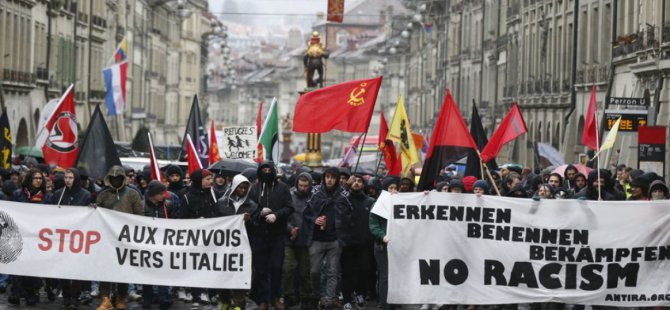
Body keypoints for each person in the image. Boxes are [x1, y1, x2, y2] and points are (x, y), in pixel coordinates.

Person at [247, 161, 294, 310]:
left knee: (276, 267)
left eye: (269, 170)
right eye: (263, 170)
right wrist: (259, 213)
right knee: (260, 269)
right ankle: (263, 300)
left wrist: (277, 215)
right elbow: (248, 208)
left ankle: (275, 297)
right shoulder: (253, 189)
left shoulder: (283, 188)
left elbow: (289, 207)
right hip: (258, 236)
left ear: (273, 171)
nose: (266, 172)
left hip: (277, 235)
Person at [96, 165, 144, 310]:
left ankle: (121, 297)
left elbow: (140, 215)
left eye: (118, 178)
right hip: (106, 238)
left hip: (125, 239)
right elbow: (96, 213)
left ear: (123, 179)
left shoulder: (133, 194)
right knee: (105, 270)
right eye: (113, 178)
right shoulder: (103, 195)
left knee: (122, 270)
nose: (116, 180)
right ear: (109, 179)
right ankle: (105, 299)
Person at [302, 167, 350, 310]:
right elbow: (306, 214)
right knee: (314, 271)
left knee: (333, 271)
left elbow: (349, 214)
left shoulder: (343, 195)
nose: (329, 179)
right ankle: (319, 295)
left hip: (335, 239)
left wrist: (339, 220)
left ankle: (329, 299)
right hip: (317, 239)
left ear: (336, 179)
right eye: (327, 176)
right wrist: (315, 220)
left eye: (333, 177)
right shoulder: (315, 193)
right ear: (324, 178)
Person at [46, 168, 91, 309]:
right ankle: (66, 296)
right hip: (62, 236)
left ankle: (75, 297)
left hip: (78, 237)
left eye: (71, 177)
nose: (67, 180)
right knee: (63, 267)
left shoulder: (85, 195)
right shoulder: (58, 194)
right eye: (66, 177)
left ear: (76, 179)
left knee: (77, 268)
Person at [8, 169, 51, 306]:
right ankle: (16, 292)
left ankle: (32, 293)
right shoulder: (18, 195)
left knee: (33, 267)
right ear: (29, 179)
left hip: (38, 238)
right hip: (20, 236)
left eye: (40, 178)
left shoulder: (47, 197)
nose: (38, 180)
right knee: (18, 265)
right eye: (35, 178)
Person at [216, 174, 258, 310]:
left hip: (242, 248)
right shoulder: (221, 203)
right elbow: (214, 222)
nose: (243, 190)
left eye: (246, 188)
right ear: (234, 187)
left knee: (240, 274)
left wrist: (249, 221)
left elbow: (257, 227)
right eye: (240, 187)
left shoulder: (252, 206)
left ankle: (239, 303)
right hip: (224, 246)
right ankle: (225, 300)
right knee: (222, 274)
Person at [180, 169, 218, 308]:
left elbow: (218, 213)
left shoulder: (213, 194)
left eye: (210, 179)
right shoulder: (187, 197)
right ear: (198, 181)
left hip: (211, 237)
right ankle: (197, 295)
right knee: (196, 265)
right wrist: (196, 220)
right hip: (194, 238)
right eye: (207, 179)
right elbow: (181, 218)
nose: (210, 181)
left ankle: (211, 293)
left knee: (211, 265)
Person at [339, 174, 374, 310]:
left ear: (364, 185)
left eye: (360, 181)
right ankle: (347, 299)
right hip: (347, 243)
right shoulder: (344, 200)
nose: (356, 183)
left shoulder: (370, 202)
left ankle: (360, 294)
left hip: (364, 243)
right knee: (347, 271)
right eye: (354, 181)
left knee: (364, 270)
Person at [141, 181, 176, 309]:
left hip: (163, 243)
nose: (164, 196)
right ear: (153, 194)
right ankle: (147, 297)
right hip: (146, 244)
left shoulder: (168, 206)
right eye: (161, 194)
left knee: (163, 270)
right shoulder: (142, 206)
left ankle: (163, 297)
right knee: (146, 271)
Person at [282, 173, 313, 309]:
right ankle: (288, 296)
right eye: (301, 185)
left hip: (306, 239)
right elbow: (284, 214)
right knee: (288, 269)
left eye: (306, 186)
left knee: (305, 271)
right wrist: (290, 229)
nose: (303, 188)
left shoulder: (313, 197)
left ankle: (305, 296)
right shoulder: (289, 195)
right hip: (290, 238)